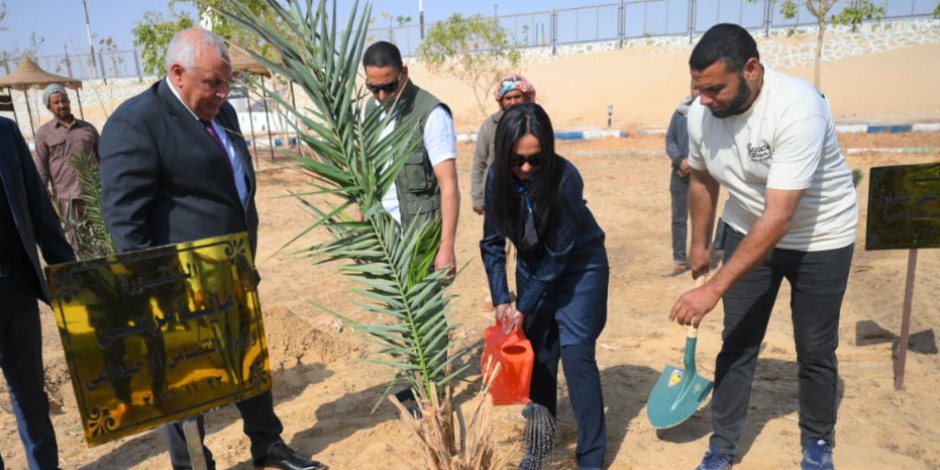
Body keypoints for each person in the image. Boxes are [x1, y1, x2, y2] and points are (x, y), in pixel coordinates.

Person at [99, 28, 325, 470]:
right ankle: (192, 462)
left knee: (249, 361)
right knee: (186, 378)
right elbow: (125, 219)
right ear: (178, 73)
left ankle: (267, 447)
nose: (223, 93)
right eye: (213, 84)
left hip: (233, 271)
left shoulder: (225, 115)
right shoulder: (137, 121)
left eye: (227, 83)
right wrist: (156, 285)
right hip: (179, 282)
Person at [669, 24, 858, 470]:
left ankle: (817, 442)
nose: (704, 100)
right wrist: (699, 244)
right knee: (737, 342)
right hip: (745, 225)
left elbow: (780, 216)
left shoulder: (797, 108)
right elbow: (702, 176)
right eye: (697, 88)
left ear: (751, 70)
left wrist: (711, 289)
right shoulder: (700, 112)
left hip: (820, 238)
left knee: (814, 347)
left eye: (714, 88)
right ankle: (723, 447)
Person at [481, 103, 608, 470]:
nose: (524, 169)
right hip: (534, 267)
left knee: (577, 357)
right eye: (516, 160)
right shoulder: (497, 179)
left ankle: (591, 460)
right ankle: (539, 448)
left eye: (534, 160)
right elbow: (492, 243)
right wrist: (502, 299)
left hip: (581, 268)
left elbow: (559, 253)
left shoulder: (566, 179)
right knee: (539, 358)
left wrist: (525, 305)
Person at [0, 116, 76, 469]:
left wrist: (66, 270)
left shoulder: (5, 132)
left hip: (15, 287)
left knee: (29, 393)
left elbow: (38, 206)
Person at [361, 41, 459, 273]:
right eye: (374, 88)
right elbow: (366, 169)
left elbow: (449, 185)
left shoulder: (431, 113)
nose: (382, 95)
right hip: (385, 238)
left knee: (424, 308)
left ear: (404, 73)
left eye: (390, 86)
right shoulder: (371, 109)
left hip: (421, 238)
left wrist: (447, 247)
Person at [33, 83, 100, 239]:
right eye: (56, 103)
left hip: (94, 194)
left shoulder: (87, 128)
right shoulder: (44, 133)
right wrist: (44, 195)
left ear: (69, 102)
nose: (62, 105)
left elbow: (102, 157)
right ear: (49, 107)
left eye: (64, 101)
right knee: (79, 241)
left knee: (103, 238)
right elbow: (41, 166)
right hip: (66, 198)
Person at [471, 74, 536, 215]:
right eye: (508, 98)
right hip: (497, 195)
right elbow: (479, 163)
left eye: (517, 97)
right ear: (501, 100)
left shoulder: (536, 122)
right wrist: (478, 199)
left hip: (531, 194)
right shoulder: (490, 125)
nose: (513, 102)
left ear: (525, 97)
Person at [661, 87, 699, 277]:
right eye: (694, 87)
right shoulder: (680, 112)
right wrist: (679, 161)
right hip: (679, 172)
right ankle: (679, 261)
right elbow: (670, 139)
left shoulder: (712, 114)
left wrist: (693, 163)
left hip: (701, 174)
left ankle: (701, 257)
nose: (696, 91)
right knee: (678, 218)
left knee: (701, 218)